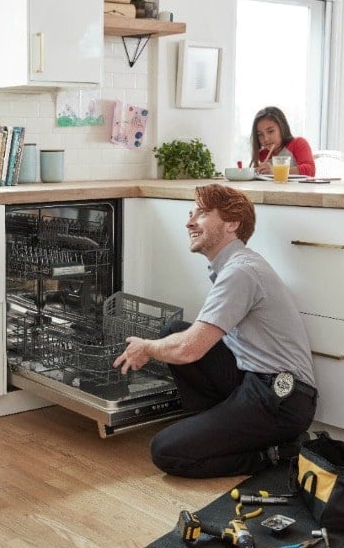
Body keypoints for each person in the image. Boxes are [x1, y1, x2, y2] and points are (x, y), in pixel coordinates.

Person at [113, 184, 316, 478]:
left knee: (166, 451)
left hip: (281, 398)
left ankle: (278, 453)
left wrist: (147, 348)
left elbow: (189, 349)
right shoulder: (232, 266)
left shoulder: (240, 272)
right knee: (175, 329)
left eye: (203, 213)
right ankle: (213, 430)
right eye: (191, 213)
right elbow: (192, 341)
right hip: (252, 380)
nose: (189, 222)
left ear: (232, 224)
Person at [249, 106, 316, 177]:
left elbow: (310, 170)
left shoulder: (298, 143)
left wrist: (275, 171)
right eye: (260, 134)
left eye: (270, 131)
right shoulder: (263, 154)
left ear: (282, 128)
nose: (266, 139)